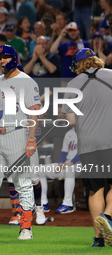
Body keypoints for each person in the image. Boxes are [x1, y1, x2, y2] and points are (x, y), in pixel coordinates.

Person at [62, 48, 112, 248]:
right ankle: (108, 216)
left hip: (89, 145)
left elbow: (72, 120)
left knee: (95, 190)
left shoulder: (72, 85)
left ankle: (99, 238)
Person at [0, 45, 41, 240]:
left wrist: (31, 138)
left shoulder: (26, 81)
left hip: (17, 134)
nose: (1, 61)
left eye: (5, 57)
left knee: (23, 182)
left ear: (14, 58)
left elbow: (34, 111)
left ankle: (26, 228)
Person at [38, 127, 80, 214]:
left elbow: (83, 151)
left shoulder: (85, 131)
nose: (67, 116)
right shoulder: (69, 133)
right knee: (40, 170)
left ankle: (68, 204)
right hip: (67, 164)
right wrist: (61, 163)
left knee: (69, 169)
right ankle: (43, 203)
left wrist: (71, 162)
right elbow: (64, 152)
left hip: (81, 164)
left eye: (69, 113)